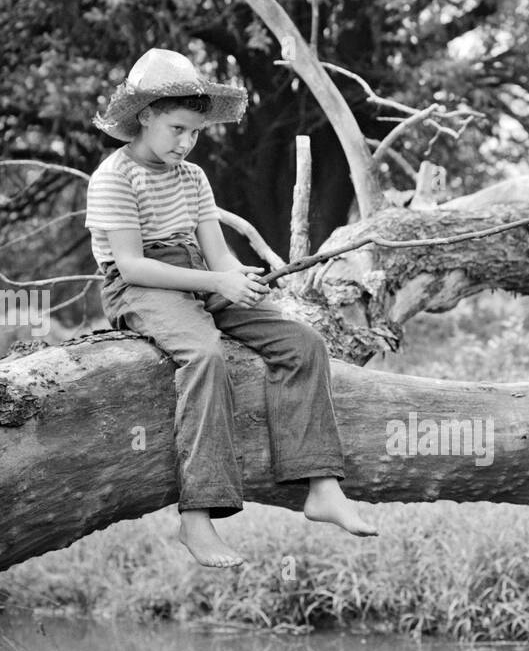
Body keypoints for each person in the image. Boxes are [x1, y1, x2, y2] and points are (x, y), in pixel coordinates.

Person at [85, 47, 377, 568]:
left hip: (196, 271)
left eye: (194, 133)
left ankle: (322, 486)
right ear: (145, 116)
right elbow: (131, 266)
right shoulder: (114, 178)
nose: (186, 142)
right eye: (176, 129)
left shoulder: (193, 178)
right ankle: (197, 517)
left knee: (302, 343)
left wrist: (236, 279)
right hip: (140, 285)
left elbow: (217, 254)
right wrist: (215, 279)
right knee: (205, 354)